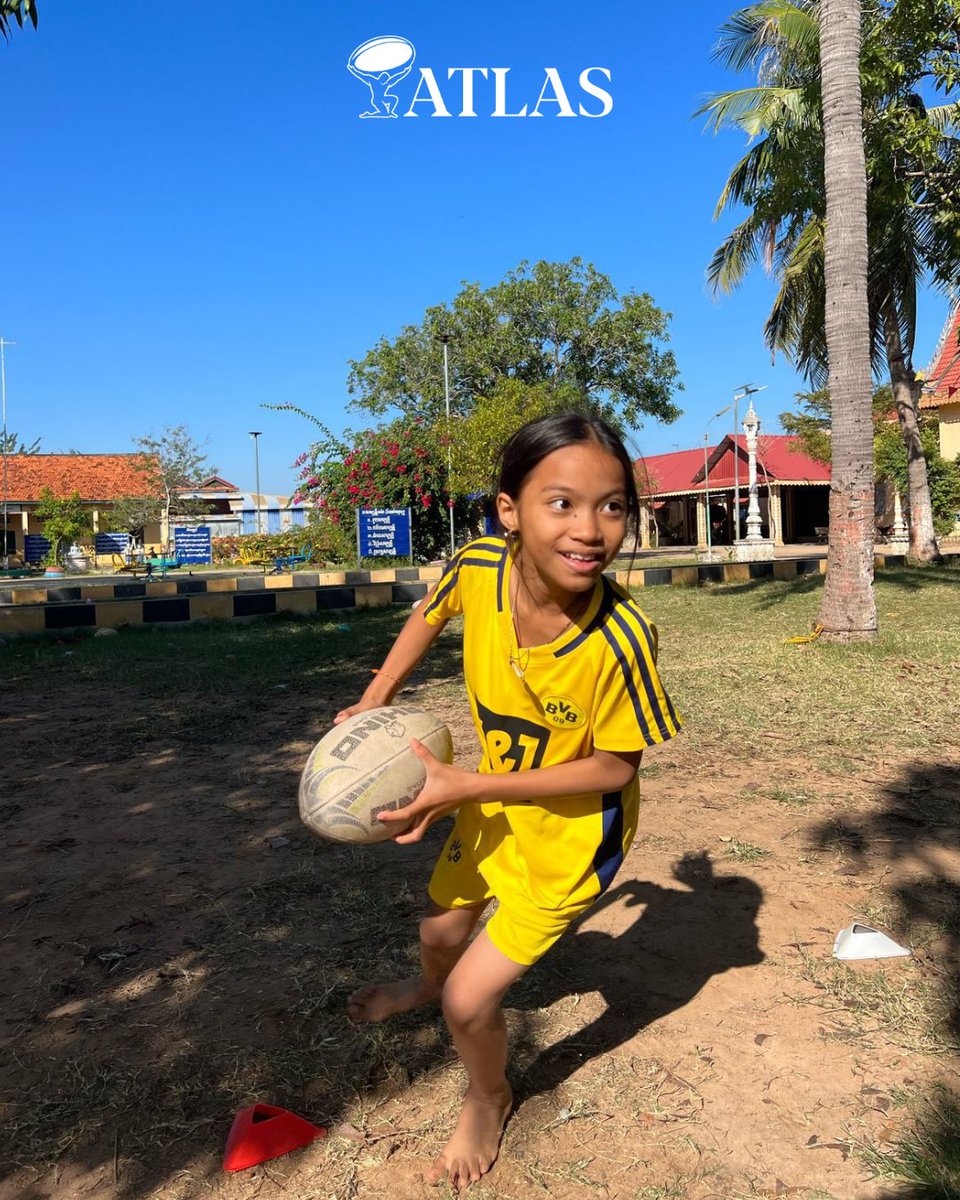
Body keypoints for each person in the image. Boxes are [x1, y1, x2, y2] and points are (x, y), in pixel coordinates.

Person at [336, 412, 682, 1188]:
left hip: (568, 845)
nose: (591, 529)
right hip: (490, 808)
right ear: (508, 511)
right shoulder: (480, 567)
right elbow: (432, 611)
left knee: (469, 1001)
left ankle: (487, 1095)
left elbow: (611, 770)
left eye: (614, 505)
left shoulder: (621, 639)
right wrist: (378, 695)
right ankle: (423, 987)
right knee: (438, 933)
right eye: (561, 503)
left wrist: (469, 786)